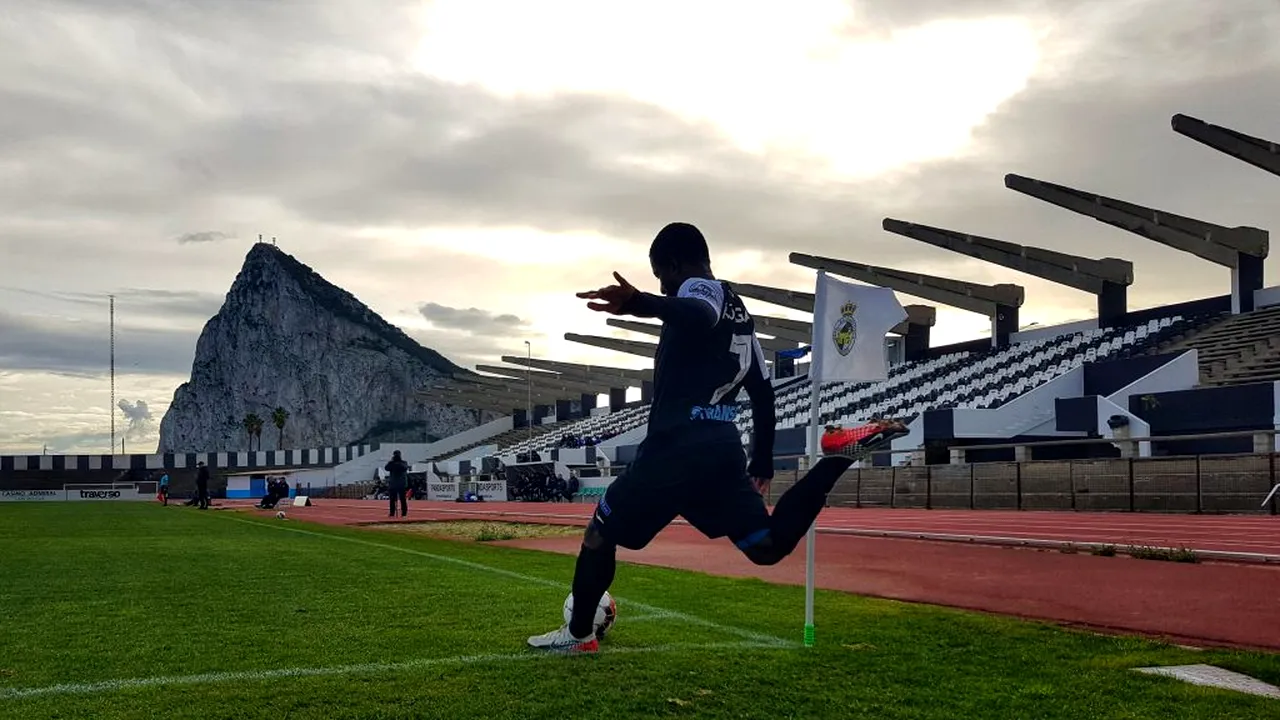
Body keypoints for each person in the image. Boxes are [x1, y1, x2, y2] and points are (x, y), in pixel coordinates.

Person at [527, 222, 908, 653]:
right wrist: (761, 460)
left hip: (674, 449)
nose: (666, 287)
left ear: (673, 265)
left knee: (600, 531)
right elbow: (763, 392)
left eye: (662, 276)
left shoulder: (701, 291)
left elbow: (698, 311)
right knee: (765, 545)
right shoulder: (743, 316)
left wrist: (639, 302)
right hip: (719, 451)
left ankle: (578, 636)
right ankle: (836, 458)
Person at [384, 450, 409, 518]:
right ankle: (392, 513)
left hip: (400, 484)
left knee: (402, 499)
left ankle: (404, 513)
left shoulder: (403, 462)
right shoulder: (391, 463)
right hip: (394, 484)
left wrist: (397, 462)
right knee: (392, 500)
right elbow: (386, 468)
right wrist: (392, 462)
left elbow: (405, 468)